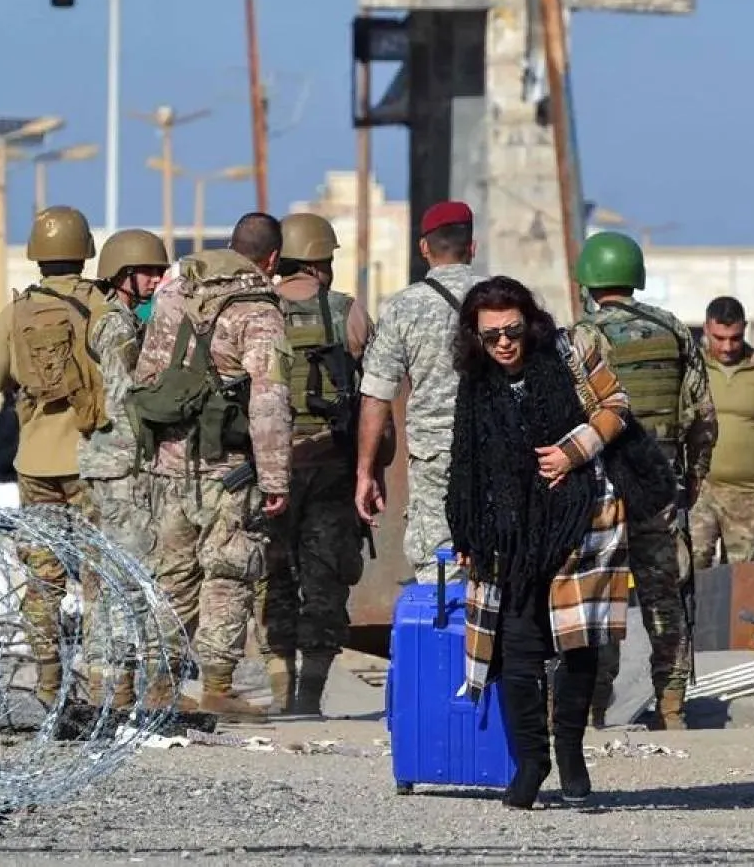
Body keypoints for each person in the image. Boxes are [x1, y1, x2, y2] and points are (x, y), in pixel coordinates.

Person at [447, 276, 668, 808]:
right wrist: (467, 533)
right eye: (490, 334)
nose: (503, 342)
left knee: (577, 640)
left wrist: (576, 448)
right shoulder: (474, 385)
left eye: (512, 330)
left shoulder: (571, 352)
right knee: (516, 650)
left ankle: (569, 749)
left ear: (531, 324)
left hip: (582, 517)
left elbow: (616, 405)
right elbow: (464, 467)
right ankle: (531, 761)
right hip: (512, 534)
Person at [129, 212, 293, 722]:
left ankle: (161, 684)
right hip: (227, 466)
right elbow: (269, 400)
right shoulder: (259, 308)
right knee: (228, 571)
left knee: (172, 574)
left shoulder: (176, 292)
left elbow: (148, 372)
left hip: (168, 460)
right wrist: (275, 478)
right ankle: (218, 686)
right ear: (270, 259)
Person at [574, 231, 715, 730]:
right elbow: (701, 414)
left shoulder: (583, 336)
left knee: (602, 594)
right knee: (664, 593)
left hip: (605, 489)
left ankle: (592, 706)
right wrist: (692, 477)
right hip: (661, 483)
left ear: (589, 280)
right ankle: (672, 703)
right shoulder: (673, 328)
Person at [0, 205, 106, 704]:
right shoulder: (102, 306)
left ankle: (49, 683)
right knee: (100, 574)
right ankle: (101, 684)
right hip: (92, 460)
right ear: (85, 250)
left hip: (35, 464)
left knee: (42, 575)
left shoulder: (17, 311)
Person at [256, 212, 374, 716]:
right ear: (323, 261)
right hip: (330, 465)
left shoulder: (259, 310)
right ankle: (310, 696)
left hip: (270, 467)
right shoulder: (347, 311)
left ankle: (282, 694)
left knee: (274, 578)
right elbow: (374, 392)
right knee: (324, 580)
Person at [355, 201, 485, 584]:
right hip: (498, 449)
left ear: (424, 248)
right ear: (472, 247)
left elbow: (376, 395)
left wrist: (366, 472)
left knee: (438, 565)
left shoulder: (403, 307)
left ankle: (446, 641)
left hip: (435, 457)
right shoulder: (506, 301)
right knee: (500, 557)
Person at [79, 229, 171, 710]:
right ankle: (115, 688)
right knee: (126, 576)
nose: (156, 280)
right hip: (122, 465)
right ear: (122, 276)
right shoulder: (115, 325)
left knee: (115, 576)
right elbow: (123, 393)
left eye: (159, 271)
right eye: (148, 272)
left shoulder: (119, 319)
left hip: (113, 461)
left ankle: (112, 685)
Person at [691, 296, 754, 568]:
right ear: (705, 329)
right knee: (689, 565)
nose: (727, 347)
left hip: (750, 497)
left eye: (735, 338)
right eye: (719, 338)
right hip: (700, 491)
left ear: (745, 328)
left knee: (746, 578)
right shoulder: (692, 368)